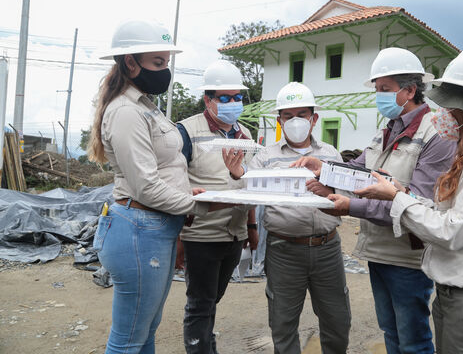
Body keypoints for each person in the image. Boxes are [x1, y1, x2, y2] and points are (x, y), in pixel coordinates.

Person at [333, 48, 463, 353]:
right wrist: (401, 193)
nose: (442, 115)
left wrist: (396, 197)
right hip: (456, 294)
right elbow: (442, 213)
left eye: (450, 108)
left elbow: (452, 231)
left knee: (413, 341)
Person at [294, 47, 456, 354]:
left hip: (408, 256)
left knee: (413, 340)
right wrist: (324, 169)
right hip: (380, 250)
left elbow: (416, 203)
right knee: (391, 333)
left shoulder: (435, 135)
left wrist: (349, 206)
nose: (378, 96)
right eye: (377, 89)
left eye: (385, 90)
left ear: (410, 90)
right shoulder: (386, 132)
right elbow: (360, 172)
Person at [90, 19, 216, 354]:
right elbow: (145, 187)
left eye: (166, 63)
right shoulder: (126, 112)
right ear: (130, 63)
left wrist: (188, 195)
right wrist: (197, 204)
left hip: (153, 228)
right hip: (138, 229)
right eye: (157, 63)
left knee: (145, 333)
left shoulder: (145, 107)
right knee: (129, 339)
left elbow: (164, 171)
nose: (165, 71)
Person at [222, 82, 351, 354]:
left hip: (327, 248)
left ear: (314, 118)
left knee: (337, 321)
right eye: (288, 115)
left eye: (301, 114)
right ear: (279, 120)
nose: (295, 121)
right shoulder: (266, 157)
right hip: (284, 250)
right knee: (282, 324)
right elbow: (246, 191)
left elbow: (349, 195)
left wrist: (329, 189)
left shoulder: (330, 154)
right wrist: (237, 175)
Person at [176, 59, 258, 354]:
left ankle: (206, 346)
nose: (233, 103)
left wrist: (251, 226)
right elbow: (172, 184)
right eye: (225, 98)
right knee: (200, 302)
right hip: (201, 234)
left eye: (237, 97)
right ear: (207, 100)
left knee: (213, 299)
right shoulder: (186, 132)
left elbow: (249, 183)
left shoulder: (245, 135)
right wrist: (178, 237)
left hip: (234, 235)